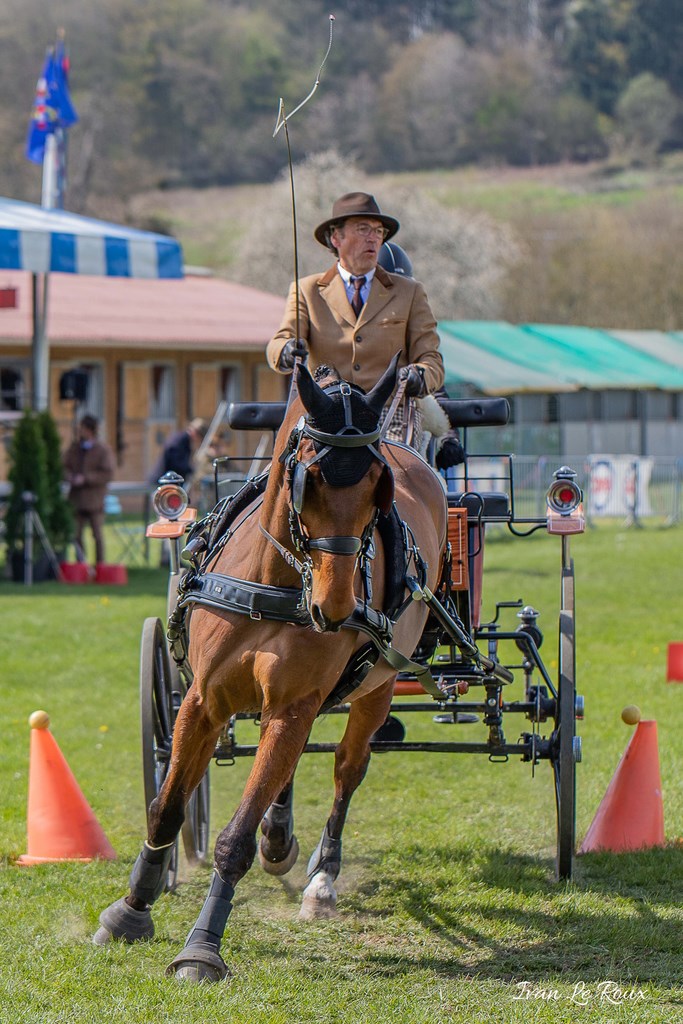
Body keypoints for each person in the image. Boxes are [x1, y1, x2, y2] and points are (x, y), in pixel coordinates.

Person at [266, 192, 445, 407]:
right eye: (363, 229)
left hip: (389, 414)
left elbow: (431, 360)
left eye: (379, 231)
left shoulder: (410, 291)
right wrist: (286, 351)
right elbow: (279, 342)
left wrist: (420, 375)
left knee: (395, 443)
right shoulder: (307, 290)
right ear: (336, 238)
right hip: (326, 416)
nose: (373, 238)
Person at [63, 414, 115, 564]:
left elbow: (107, 473)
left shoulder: (102, 450)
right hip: (76, 499)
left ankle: (100, 565)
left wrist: (86, 479)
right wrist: (70, 477)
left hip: (95, 500)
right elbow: (63, 467)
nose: (80, 432)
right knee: (76, 535)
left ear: (90, 430)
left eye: (83, 429)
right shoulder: (75, 449)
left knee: (97, 535)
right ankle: (81, 565)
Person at [148, 418, 208, 487]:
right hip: (162, 481)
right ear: (196, 433)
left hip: (166, 481)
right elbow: (176, 463)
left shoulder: (183, 440)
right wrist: (191, 470)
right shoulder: (180, 441)